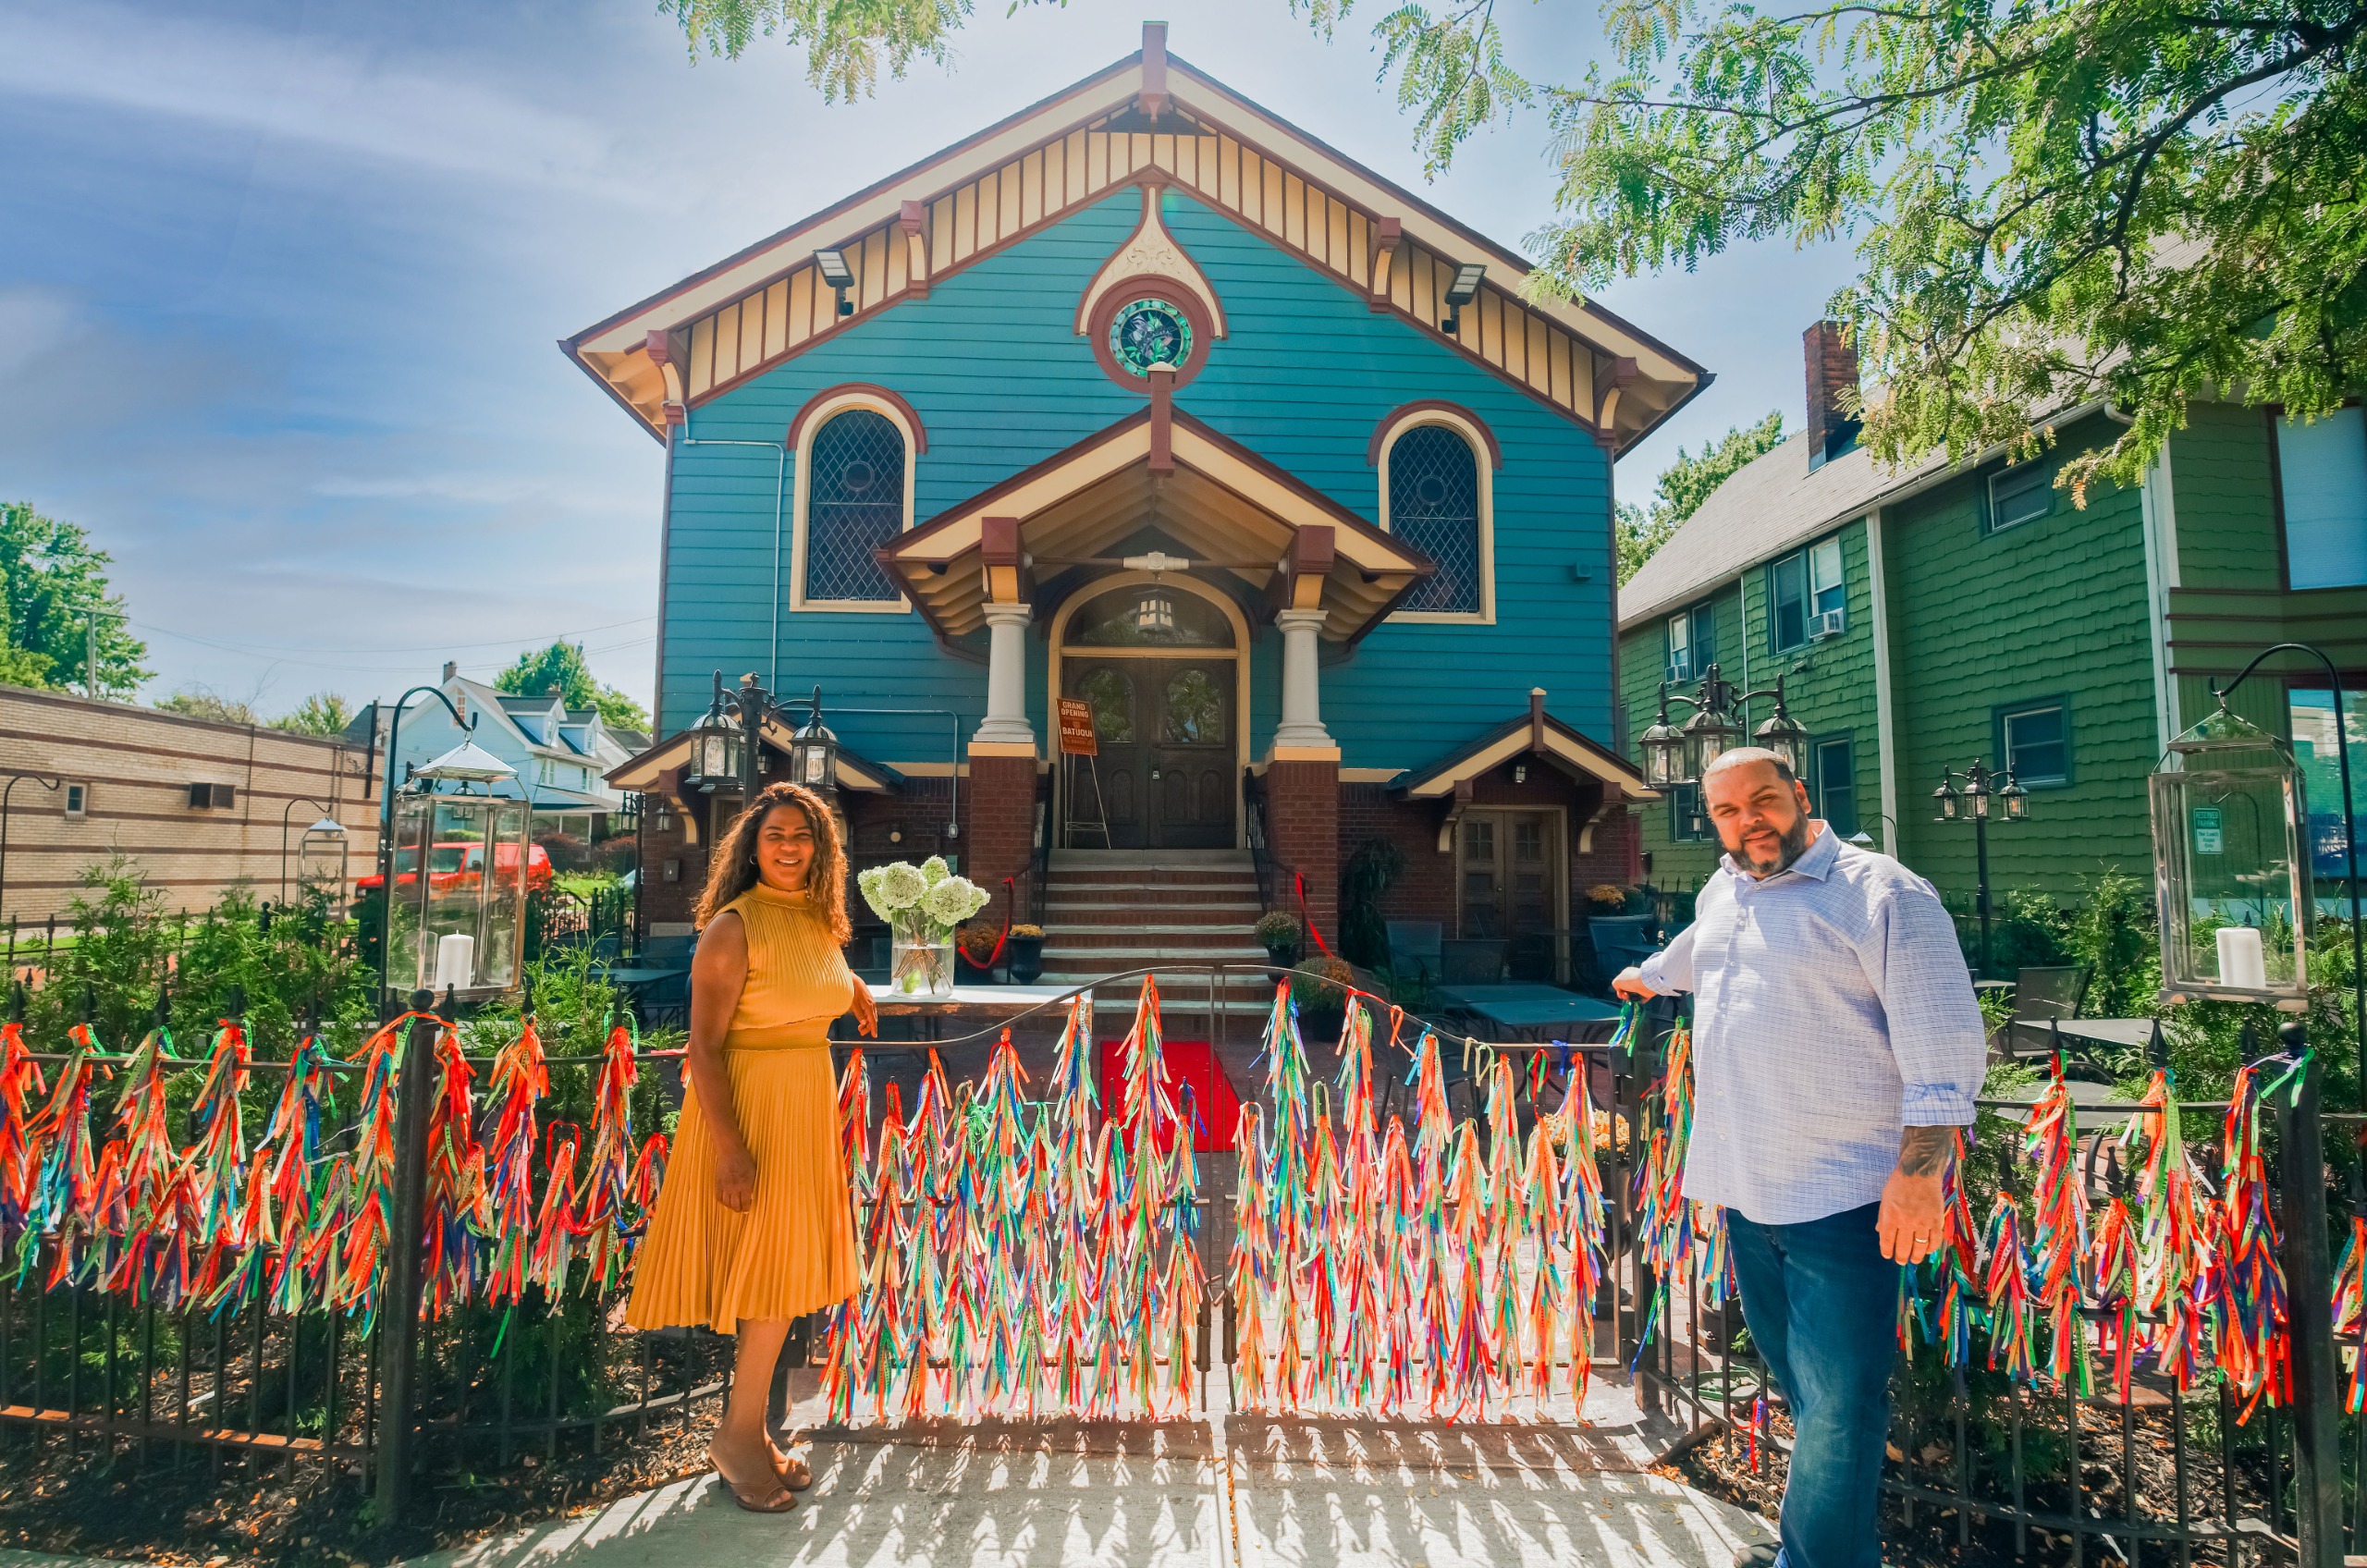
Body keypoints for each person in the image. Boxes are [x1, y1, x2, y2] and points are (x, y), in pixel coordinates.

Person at [1614, 747, 1985, 1568]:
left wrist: (1920, 1175)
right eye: (1727, 810)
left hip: (1844, 1202)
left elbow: (1944, 1039)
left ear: (1800, 796)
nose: (1750, 820)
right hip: (1749, 1194)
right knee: (1808, 1397)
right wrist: (1645, 975)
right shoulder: (1726, 887)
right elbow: (1697, 952)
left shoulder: (1880, 893)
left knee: (1841, 1410)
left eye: (1764, 800)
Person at [627, 780, 877, 1513]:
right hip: (749, 1112)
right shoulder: (732, 928)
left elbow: (800, 981)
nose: (790, 846)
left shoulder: (816, 921)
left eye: (803, 835)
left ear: (821, 848)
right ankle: (738, 1437)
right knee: (768, 1280)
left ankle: (749, 1434)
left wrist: (851, 984)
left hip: (802, 1109)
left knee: (782, 1277)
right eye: (776, 835)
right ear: (752, 845)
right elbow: (702, 1047)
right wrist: (730, 1150)